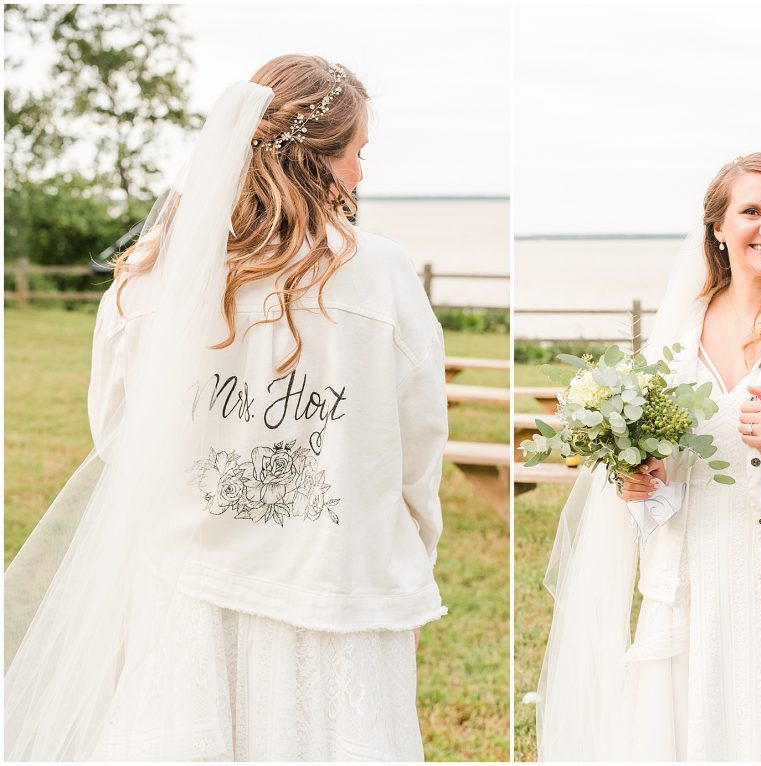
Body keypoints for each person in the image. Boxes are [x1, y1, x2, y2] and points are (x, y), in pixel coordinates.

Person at [5, 55, 448, 762]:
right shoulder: (383, 274)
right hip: (333, 581)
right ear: (317, 160)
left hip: (188, 574)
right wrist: (409, 552)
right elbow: (417, 443)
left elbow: (119, 431)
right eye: (358, 153)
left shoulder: (150, 274)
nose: (363, 172)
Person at [536, 153, 761, 761]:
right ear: (718, 227)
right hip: (694, 584)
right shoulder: (677, 333)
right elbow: (661, 466)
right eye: (751, 212)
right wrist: (643, 481)